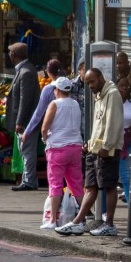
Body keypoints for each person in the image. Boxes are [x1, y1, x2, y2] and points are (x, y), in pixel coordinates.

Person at [55, 68, 123, 237]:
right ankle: (77, 222)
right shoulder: (98, 95)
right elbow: (99, 124)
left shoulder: (112, 94)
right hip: (95, 149)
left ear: (101, 78)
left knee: (109, 186)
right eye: (87, 83)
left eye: (92, 81)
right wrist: (90, 144)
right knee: (90, 186)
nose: (90, 86)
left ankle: (109, 225)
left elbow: (113, 122)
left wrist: (107, 147)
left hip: (107, 150)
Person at [40, 77, 84, 229]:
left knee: (55, 183)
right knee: (76, 183)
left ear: (57, 90)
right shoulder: (76, 104)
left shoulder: (55, 104)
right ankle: (82, 218)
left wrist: (45, 139)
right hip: (75, 147)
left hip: (57, 148)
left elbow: (45, 128)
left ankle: (52, 220)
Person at [5, 42, 40, 191]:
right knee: (24, 150)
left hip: (27, 120)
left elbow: (25, 100)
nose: (9, 55)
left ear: (14, 55)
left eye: (10, 53)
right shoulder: (24, 70)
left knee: (27, 150)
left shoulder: (26, 72)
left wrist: (20, 121)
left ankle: (29, 181)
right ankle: (28, 179)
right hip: (26, 120)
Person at [21, 59, 66, 160]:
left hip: (55, 135)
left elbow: (38, 114)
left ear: (48, 72)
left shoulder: (48, 89)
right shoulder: (71, 86)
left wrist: (27, 132)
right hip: (72, 139)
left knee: (55, 172)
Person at [69, 56, 85, 137]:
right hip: (75, 128)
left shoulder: (95, 86)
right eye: (85, 70)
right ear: (79, 70)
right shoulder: (72, 85)